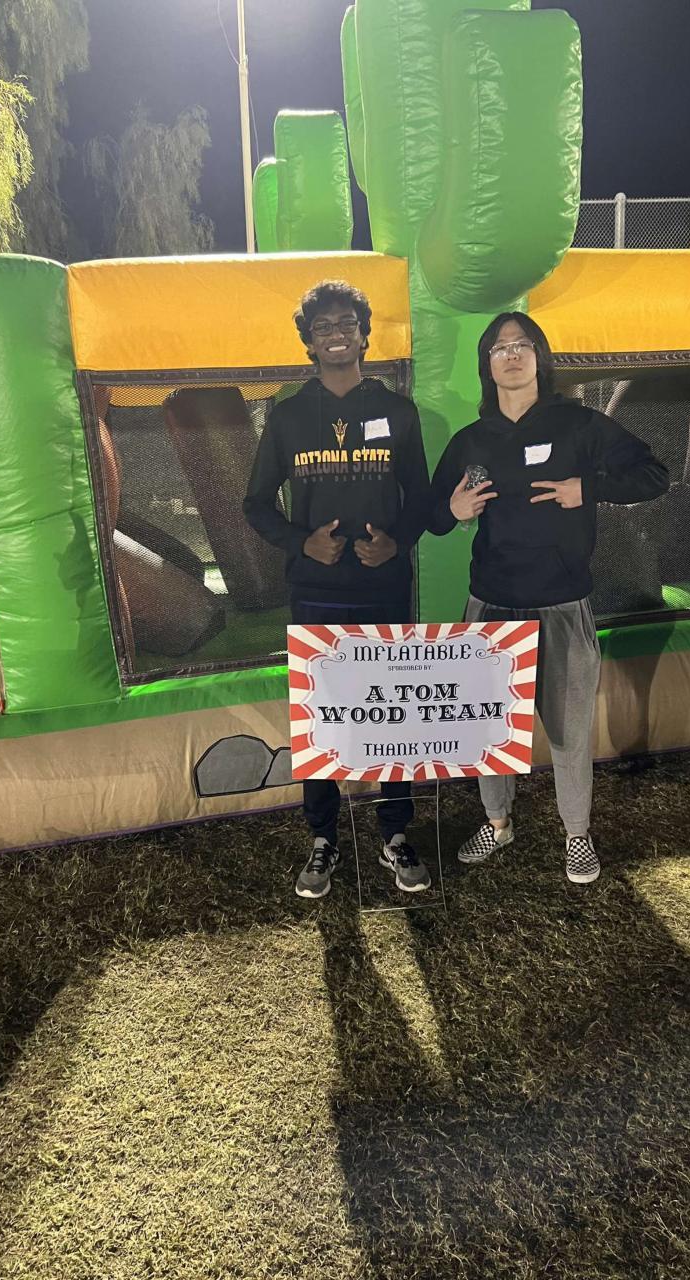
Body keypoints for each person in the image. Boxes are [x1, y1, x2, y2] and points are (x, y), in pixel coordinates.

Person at [429, 313, 669, 884]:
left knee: (569, 730)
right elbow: (433, 518)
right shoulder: (470, 441)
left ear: (540, 356)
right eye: (499, 348)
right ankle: (497, 821)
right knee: (488, 728)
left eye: (522, 345)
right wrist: (452, 511)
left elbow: (653, 474)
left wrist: (590, 488)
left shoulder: (579, 425)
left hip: (562, 603)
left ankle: (577, 833)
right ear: (487, 365)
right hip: (490, 607)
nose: (511, 354)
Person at [244, 280, 433, 899]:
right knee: (320, 713)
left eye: (346, 323)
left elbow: (421, 498)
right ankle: (323, 838)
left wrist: (396, 543)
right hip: (316, 590)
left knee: (394, 710)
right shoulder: (288, 416)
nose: (335, 335)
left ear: (363, 334)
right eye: (322, 326)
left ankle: (395, 832)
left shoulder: (398, 412)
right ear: (309, 340)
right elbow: (255, 503)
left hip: (385, 588)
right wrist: (302, 543)